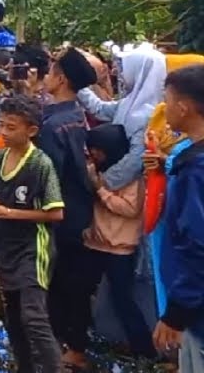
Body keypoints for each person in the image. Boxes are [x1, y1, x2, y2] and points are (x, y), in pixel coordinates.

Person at [0, 94, 64, 373]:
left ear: (31, 131)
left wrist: (10, 213)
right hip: (5, 245)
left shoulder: (40, 164)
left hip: (33, 247)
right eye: (1, 125)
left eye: (12, 127)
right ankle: (24, 366)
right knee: (12, 315)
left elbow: (55, 213)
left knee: (34, 317)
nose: (4, 133)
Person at [65, 123, 154, 368]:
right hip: (94, 242)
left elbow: (130, 208)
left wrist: (100, 191)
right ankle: (77, 346)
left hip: (118, 247)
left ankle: (144, 351)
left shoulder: (128, 176)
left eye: (98, 150)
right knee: (80, 292)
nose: (94, 154)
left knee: (123, 299)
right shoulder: (98, 168)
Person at [32, 47, 100, 360]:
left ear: (60, 79)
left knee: (60, 282)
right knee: (75, 281)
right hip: (80, 211)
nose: (45, 77)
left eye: (49, 72)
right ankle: (74, 345)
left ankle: (66, 346)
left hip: (59, 214)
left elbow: (49, 176)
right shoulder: (77, 117)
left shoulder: (52, 126)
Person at [153, 64, 204, 371]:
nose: (164, 108)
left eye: (168, 101)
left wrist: (176, 313)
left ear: (184, 108)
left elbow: (196, 245)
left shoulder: (195, 171)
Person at [79, 43, 166, 195]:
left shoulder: (148, 113)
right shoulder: (130, 102)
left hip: (129, 192)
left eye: (124, 68)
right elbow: (99, 108)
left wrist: (102, 182)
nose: (117, 72)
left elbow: (135, 161)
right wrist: (77, 83)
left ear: (138, 71)